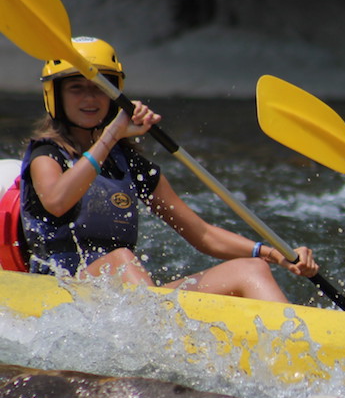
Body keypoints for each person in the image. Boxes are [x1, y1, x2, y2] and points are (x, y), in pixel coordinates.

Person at [19, 36, 318, 302]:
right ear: (55, 95)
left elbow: (203, 234)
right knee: (122, 261)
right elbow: (57, 201)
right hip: (60, 295)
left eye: (98, 88)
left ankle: (297, 355)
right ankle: (166, 345)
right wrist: (112, 134)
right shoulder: (47, 155)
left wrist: (273, 253)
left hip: (127, 301)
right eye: (76, 89)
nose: (89, 98)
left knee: (251, 269)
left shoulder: (129, 165)